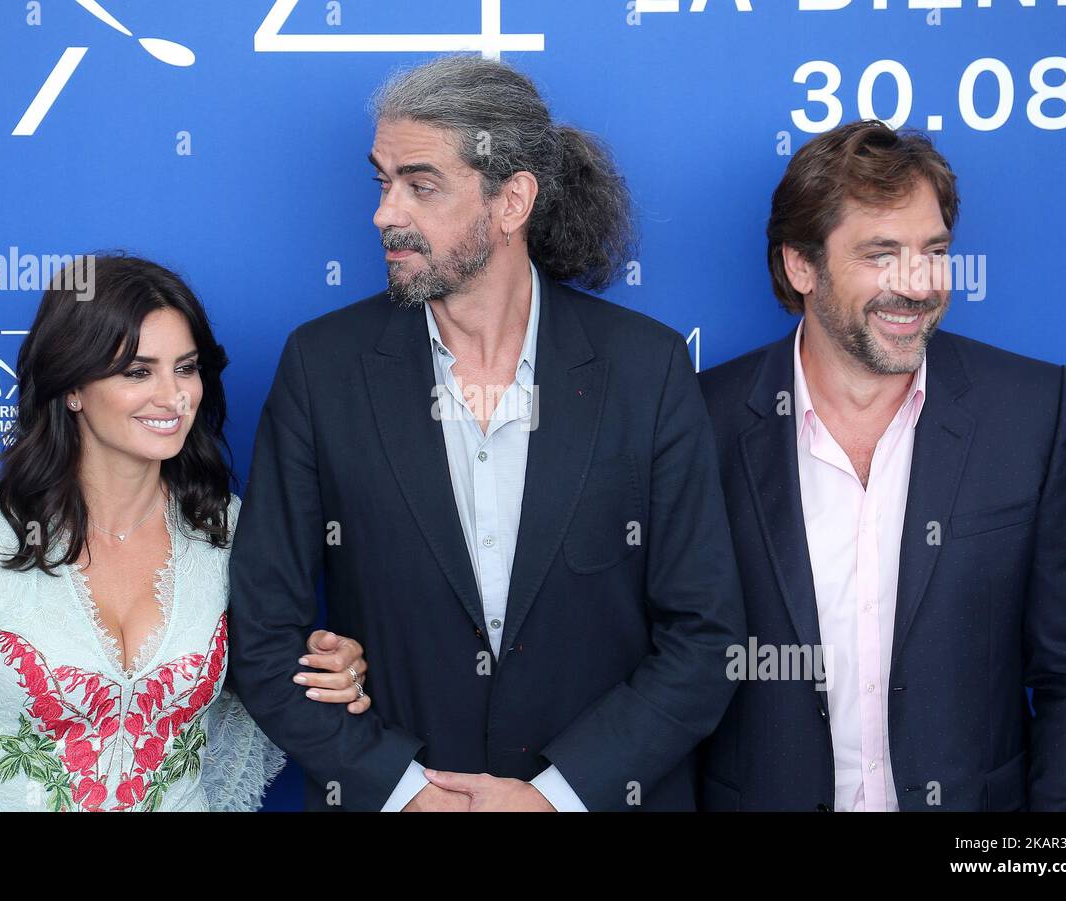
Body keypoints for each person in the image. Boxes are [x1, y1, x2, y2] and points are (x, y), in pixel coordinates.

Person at [227, 55, 745, 812]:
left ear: (512, 202)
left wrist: (555, 797)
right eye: (382, 181)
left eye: (420, 183)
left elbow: (705, 641)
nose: (384, 213)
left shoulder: (648, 369)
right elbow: (265, 637)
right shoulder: (322, 367)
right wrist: (407, 791)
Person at [696, 121, 1066, 811]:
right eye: (881, 253)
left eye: (933, 251)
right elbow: (666, 668)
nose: (916, 284)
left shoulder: (1030, 413)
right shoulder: (699, 421)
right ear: (801, 265)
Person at [0, 254, 371, 811]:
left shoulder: (230, 530)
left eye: (186, 368)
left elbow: (265, 674)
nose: (174, 396)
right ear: (71, 388)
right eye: (138, 372)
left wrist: (325, 665)